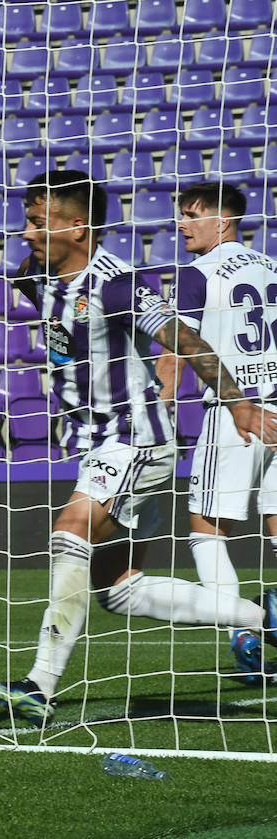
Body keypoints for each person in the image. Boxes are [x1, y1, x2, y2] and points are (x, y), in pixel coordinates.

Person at [0, 170, 277, 724]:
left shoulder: (116, 284)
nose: (26, 234)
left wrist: (236, 402)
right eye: (28, 222)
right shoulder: (40, 272)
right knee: (119, 589)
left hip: (135, 439)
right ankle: (265, 618)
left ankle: (38, 685)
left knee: (71, 530)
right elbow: (31, 281)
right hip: (95, 443)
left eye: (40, 224)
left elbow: (184, 338)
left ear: (80, 229)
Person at [155, 182, 277, 684]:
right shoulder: (270, 266)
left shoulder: (197, 274)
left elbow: (176, 351)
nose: (181, 224)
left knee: (205, 527)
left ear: (221, 221)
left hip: (236, 412)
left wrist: (159, 409)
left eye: (190, 215)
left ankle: (241, 634)